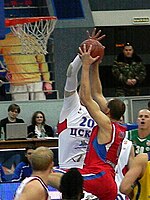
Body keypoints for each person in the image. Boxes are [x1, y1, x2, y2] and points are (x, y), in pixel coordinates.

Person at [57, 29, 105, 169]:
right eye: (83, 87)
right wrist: (83, 54)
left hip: (91, 169)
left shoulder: (99, 112)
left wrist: (93, 64)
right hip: (68, 168)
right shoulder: (71, 106)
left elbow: (98, 92)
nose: (85, 90)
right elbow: (71, 72)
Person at [0, 29, 52, 101]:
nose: (17, 25)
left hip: (36, 81)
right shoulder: (4, 41)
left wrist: (47, 81)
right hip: (17, 83)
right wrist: (3, 72)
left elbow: (42, 62)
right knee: (19, 110)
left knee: (40, 108)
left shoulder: (32, 39)